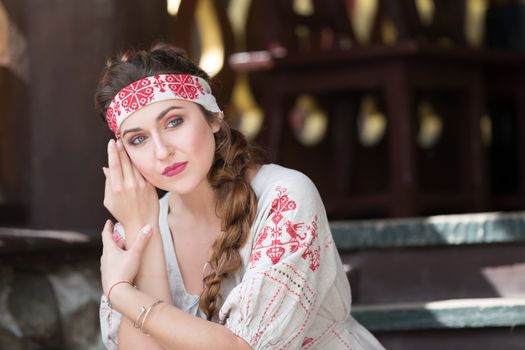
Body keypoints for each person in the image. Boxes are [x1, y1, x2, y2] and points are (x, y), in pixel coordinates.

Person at [96, 42, 385, 350]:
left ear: (213, 118)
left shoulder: (284, 198)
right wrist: (146, 234)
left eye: (174, 122)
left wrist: (122, 292)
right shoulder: (135, 230)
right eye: (138, 139)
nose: (162, 151)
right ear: (123, 155)